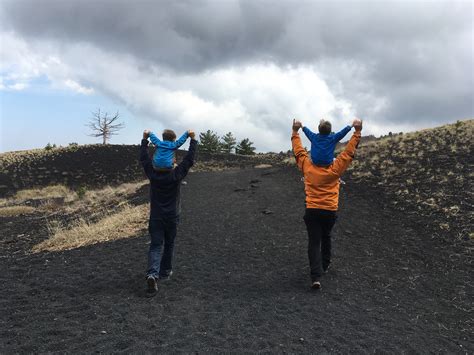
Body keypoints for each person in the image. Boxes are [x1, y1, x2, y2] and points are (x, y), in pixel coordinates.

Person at [291, 118, 362, 289]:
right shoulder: (336, 168)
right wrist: (357, 132)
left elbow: (299, 152)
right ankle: (325, 264)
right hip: (330, 210)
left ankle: (316, 277)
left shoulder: (307, 167)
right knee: (326, 236)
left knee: (314, 242)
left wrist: (295, 132)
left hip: (312, 210)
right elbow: (348, 153)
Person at [140, 128, 197, 297]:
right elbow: (189, 160)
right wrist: (192, 140)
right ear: (172, 160)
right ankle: (165, 271)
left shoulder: (152, 174)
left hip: (156, 216)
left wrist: (144, 140)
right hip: (172, 215)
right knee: (169, 243)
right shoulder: (177, 174)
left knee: (156, 245)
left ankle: (152, 274)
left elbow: (144, 159)